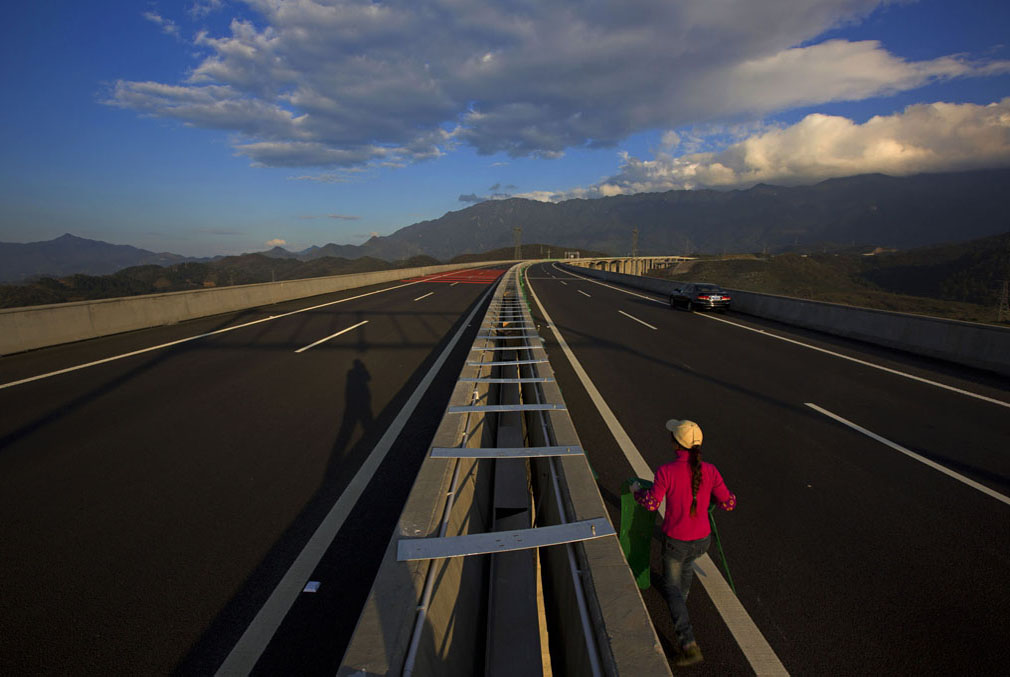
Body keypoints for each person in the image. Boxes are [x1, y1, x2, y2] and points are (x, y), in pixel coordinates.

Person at [631, 418, 736, 667]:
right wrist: (721, 499)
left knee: (672, 589)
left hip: (677, 540)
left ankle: (687, 642)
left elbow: (651, 504)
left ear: (676, 444)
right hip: (702, 540)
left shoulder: (666, 471)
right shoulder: (710, 470)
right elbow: (728, 503)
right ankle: (681, 605)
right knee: (686, 568)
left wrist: (637, 491)